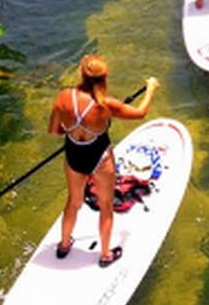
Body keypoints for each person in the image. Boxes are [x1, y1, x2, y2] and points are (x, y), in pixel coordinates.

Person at [48, 55, 159, 267]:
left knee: (73, 202)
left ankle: (63, 245)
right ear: (104, 78)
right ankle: (106, 254)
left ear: (81, 73)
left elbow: (54, 130)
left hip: (73, 156)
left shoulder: (63, 97)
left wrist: (73, 127)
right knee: (106, 205)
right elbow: (141, 113)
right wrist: (151, 88)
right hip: (100, 158)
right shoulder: (106, 105)